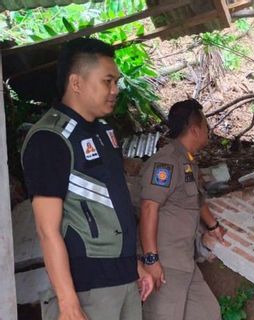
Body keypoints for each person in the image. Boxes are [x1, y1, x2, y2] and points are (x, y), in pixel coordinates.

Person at [21, 37, 153, 320]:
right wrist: (68, 304)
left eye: (116, 82)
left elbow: (112, 206)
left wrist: (133, 265)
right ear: (77, 83)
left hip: (124, 281)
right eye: (107, 81)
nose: (115, 90)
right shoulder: (51, 139)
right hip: (88, 291)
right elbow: (48, 230)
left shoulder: (104, 132)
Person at [139, 99, 225, 320]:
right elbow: (149, 207)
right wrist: (151, 260)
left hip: (184, 261)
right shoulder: (166, 162)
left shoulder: (186, 162)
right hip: (165, 263)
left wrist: (214, 226)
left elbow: (195, 199)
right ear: (195, 130)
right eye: (206, 126)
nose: (209, 131)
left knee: (207, 312)